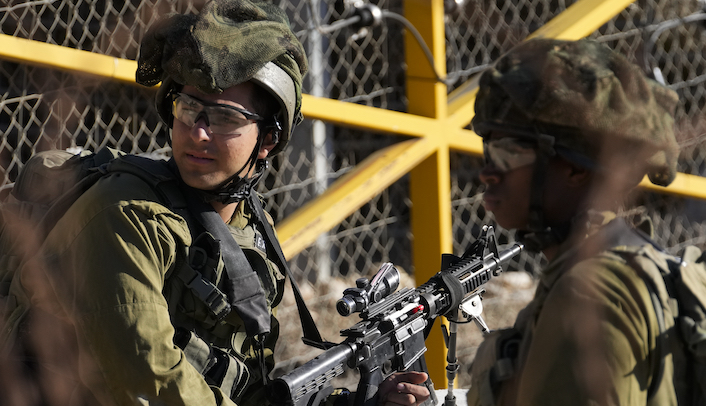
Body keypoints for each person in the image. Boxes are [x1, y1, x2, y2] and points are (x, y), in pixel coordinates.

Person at [9, 0, 430, 405]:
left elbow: (243, 386)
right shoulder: (125, 214)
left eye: (226, 118)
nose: (198, 132)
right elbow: (151, 379)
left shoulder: (248, 226)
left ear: (267, 140)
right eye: (189, 108)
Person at [466, 38, 681, 406]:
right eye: (488, 150)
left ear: (576, 168)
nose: (487, 172)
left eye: (508, 153)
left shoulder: (588, 295)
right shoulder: (606, 264)